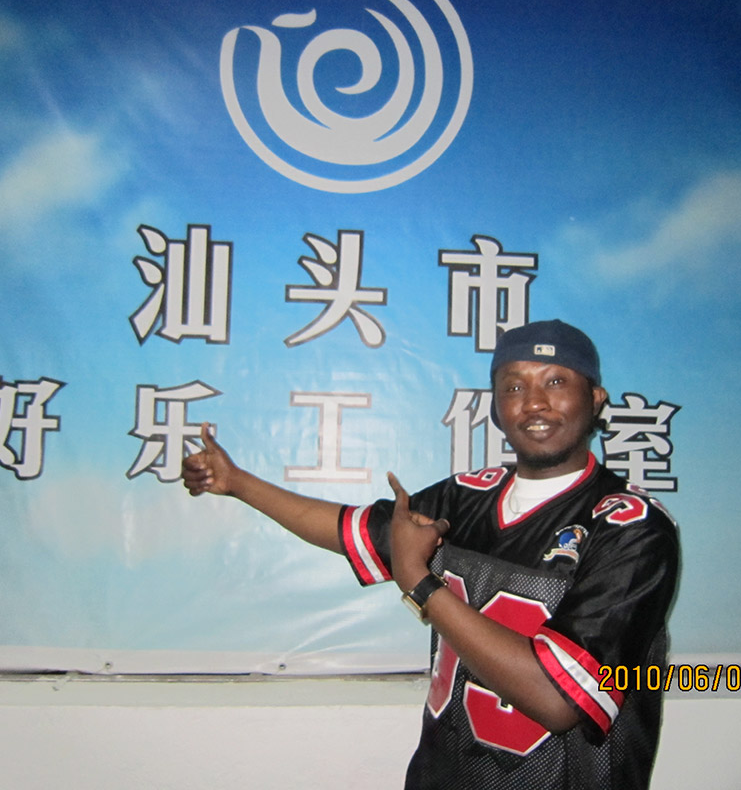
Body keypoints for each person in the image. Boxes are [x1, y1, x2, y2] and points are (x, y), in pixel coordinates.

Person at [182, 319, 679, 790]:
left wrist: (420, 584)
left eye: (555, 382)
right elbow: (348, 528)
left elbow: (556, 699)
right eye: (513, 386)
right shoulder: (464, 497)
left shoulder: (632, 527)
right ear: (495, 406)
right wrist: (238, 483)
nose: (533, 403)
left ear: (595, 398)